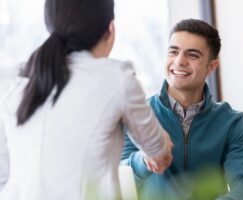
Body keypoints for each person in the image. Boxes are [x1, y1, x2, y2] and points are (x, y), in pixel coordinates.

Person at [0, 0, 174, 199]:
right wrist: (161, 149)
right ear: (110, 29)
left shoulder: (17, 86)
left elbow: (3, 175)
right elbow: (159, 153)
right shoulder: (117, 78)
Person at [121, 19, 243, 200]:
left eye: (192, 55)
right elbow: (118, 178)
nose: (179, 61)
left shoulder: (232, 122)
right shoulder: (137, 115)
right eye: (173, 52)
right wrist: (145, 159)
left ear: (211, 67)